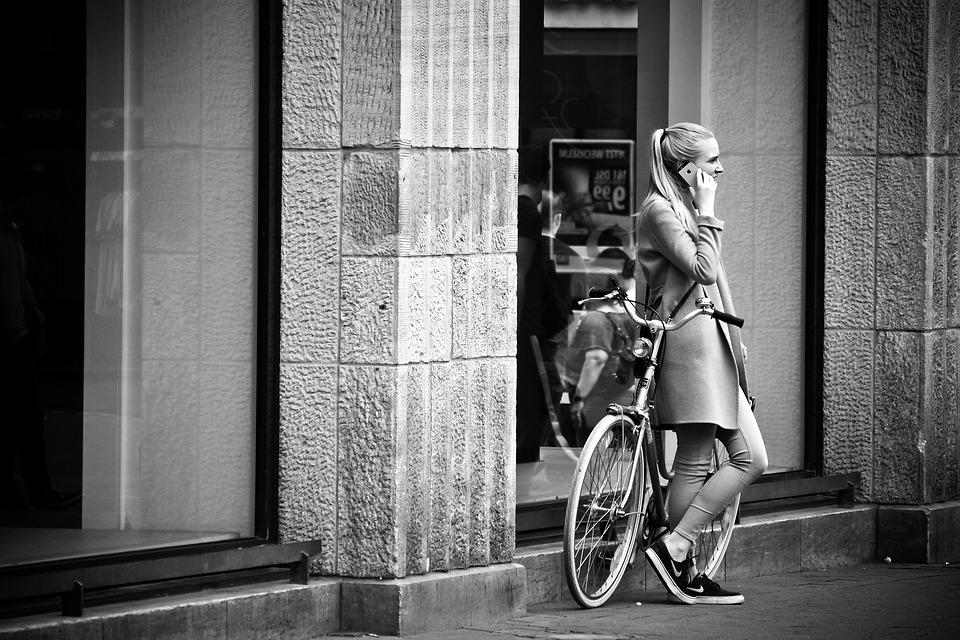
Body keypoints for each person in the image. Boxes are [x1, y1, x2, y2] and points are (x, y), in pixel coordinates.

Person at [636, 123, 767, 605]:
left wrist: (735, 338)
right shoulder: (661, 211)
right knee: (718, 457)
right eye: (711, 161)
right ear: (684, 167)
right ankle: (679, 554)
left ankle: (678, 552)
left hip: (712, 342)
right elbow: (704, 271)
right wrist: (708, 212)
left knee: (730, 457)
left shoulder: (683, 208)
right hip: (689, 345)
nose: (719, 168)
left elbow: (717, 285)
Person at [563, 259, 637, 445]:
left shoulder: (596, 319)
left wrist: (579, 398)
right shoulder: (627, 317)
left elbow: (596, 359)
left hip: (597, 401)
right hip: (620, 396)